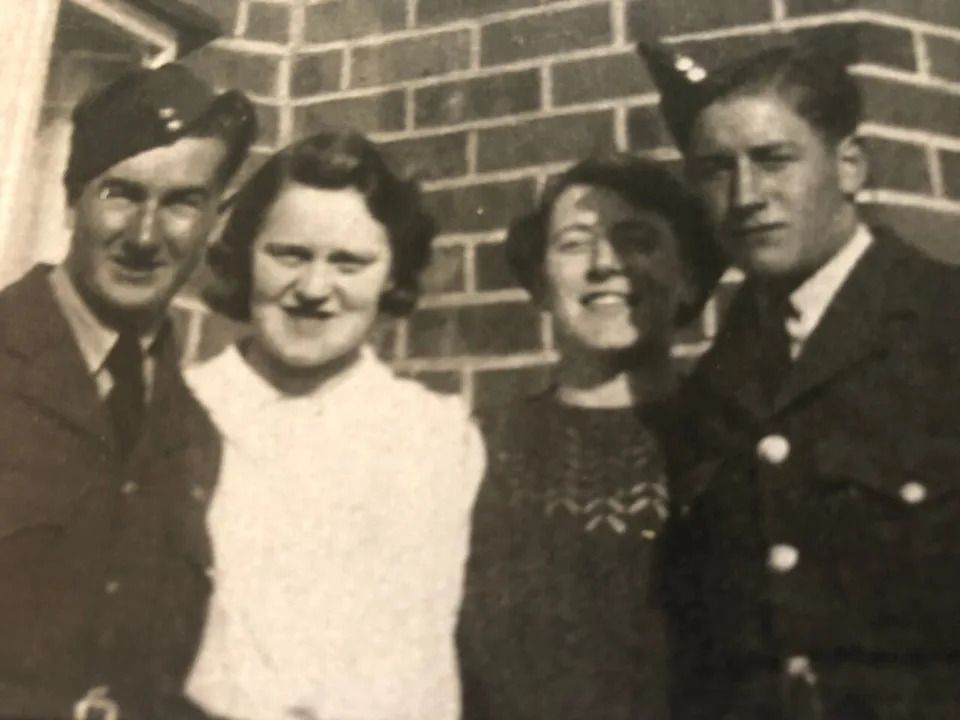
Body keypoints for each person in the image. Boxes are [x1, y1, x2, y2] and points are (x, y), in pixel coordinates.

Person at [639, 38, 960, 719]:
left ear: (849, 166)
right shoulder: (716, 383)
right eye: (717, 171)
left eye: (774, 160)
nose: (747, 196)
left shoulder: (943, 323)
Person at [182, 129, 485, 720]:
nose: (314, 289)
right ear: (246, 254)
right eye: (289, 254)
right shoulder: (179, 413)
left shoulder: (435, 438)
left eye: (349, 262)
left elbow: (424, 656)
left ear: (392, 275)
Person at [0, 64, 256, 719]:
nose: (145, 236)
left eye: (181, 203)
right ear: (71, 196)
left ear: (215, 219)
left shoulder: (197, 433)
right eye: (121, 193)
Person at [456, 154, 723, 720]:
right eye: (575, 243)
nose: (606, 264)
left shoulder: (732, 440)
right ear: (541, 286)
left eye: (638, 241)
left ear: (690, 278)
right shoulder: (474, 451)